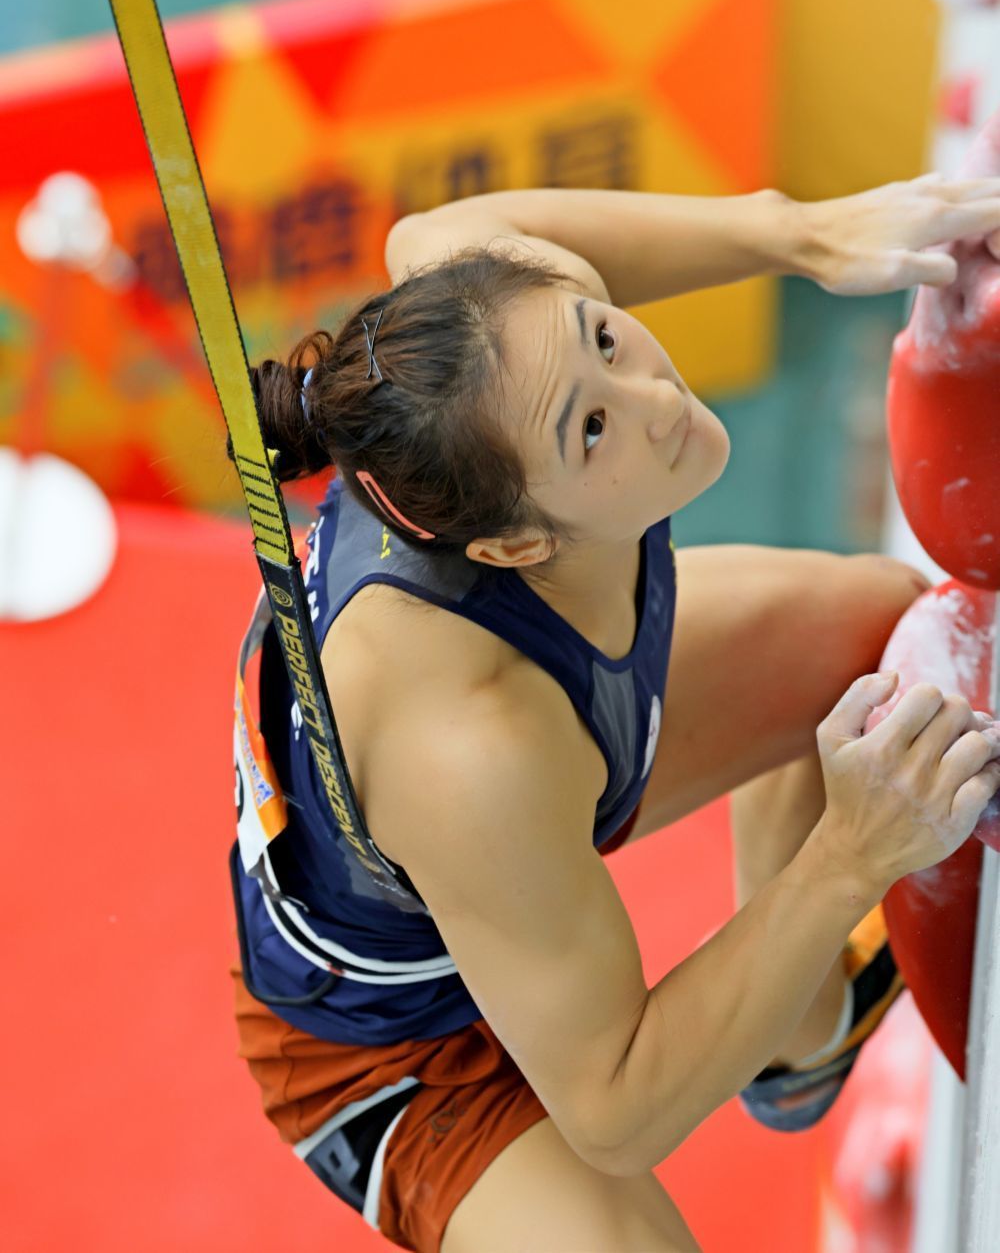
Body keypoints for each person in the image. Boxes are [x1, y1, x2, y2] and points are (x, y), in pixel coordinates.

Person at [229, 180, 1000, 1253]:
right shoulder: (470, 742)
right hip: (396, 1049)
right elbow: (617, 1104)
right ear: (511, 546)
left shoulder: (510, 338)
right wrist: (848, 854)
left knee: (886, 651)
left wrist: (813, 235)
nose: (656, 397)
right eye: (593, 428)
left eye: (605, 337)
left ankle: (796, 1041)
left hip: (513, 803)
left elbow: (427, 236)